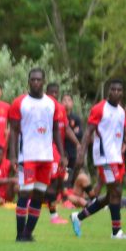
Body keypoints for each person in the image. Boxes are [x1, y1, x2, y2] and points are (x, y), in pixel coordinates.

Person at [71, 79, 126, 239]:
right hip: (103, 157)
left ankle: (78, 217)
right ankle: (116, 232)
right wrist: (81, 153)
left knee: (111, 196)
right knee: (117, 190)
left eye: (119, 90)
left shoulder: (121, 112)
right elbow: (88, 132)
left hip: (116, 157)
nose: (116, 92)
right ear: (108, 91)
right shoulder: (99, 108)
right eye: (113, 89)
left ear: (122, 93)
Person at [8, 68, 63, 242]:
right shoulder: (20, 103)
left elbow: (56, 130)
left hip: (46, 157)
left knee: (39, 194)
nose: (36, 82)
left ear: (44, 81)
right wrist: (13, 155)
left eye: (39, 79)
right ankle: (19, 234)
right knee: (25, 193)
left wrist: (62, 155)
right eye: (33, 79)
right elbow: (13, 131)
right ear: (28, 81)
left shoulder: (52, 104)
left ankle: (28, 233)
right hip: (27, 156)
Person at [44, 82, 80, 225]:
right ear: (46, 93)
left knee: (59, 179)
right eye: (51, 92)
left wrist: (77, 143)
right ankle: (53, 215)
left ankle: (54, 205)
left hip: (57, 152)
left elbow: (66, 128)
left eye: (56, 92)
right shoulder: (43, 106)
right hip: (45, 149)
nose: (54, 95)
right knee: (51, 181)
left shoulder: (60, 109)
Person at [61, 93, 83, 189]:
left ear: (72, 103)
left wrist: (70, 133)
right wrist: (72, 131)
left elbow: (80, 134)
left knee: (71, 172)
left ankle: (70, 190)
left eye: (69, 100)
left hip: (72, 150)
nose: (66, 103)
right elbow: (62, 133)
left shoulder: (76, 118)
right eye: (64, 100)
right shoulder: (59, 116)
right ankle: (62, 191)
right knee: (62, 172)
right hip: (62, 149)